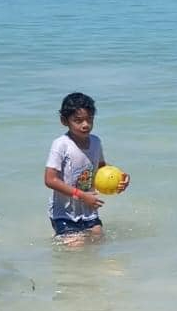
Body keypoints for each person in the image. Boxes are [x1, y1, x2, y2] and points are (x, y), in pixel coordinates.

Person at [44, 92, 129, 242]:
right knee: (76, 249)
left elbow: (101, 167)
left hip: (88, 211)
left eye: (89, 119)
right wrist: (82, 195)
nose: (85, 125)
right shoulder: (61, 144)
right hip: (64, 212)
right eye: (78, 120)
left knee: (98, 241)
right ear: (64, 121)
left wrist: (120, 177)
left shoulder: (96, 142)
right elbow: (50, 180)